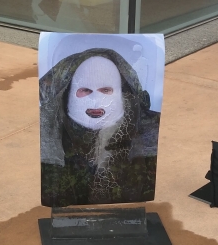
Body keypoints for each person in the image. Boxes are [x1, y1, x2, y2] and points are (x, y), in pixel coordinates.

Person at [39, 48, 161, 207]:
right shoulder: (50, 131)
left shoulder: (147, 129)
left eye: (105, 90)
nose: (96, 99)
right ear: (68, 92)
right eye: (85, 90)